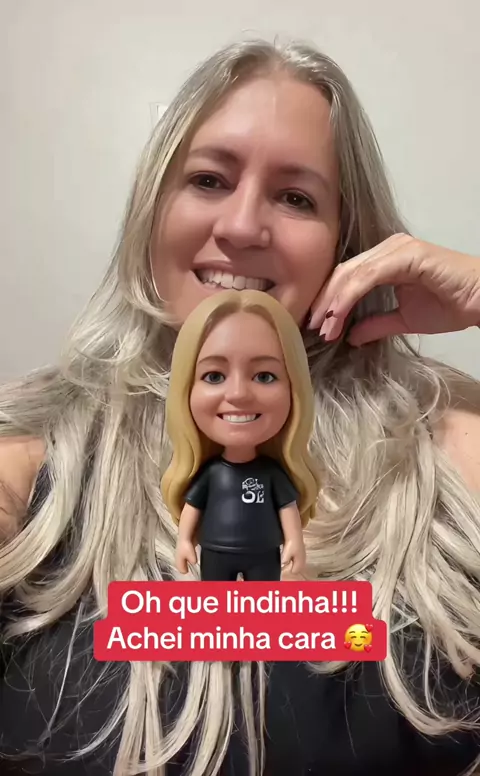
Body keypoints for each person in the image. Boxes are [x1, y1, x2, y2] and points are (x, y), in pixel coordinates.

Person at [1, 37, 480, 776]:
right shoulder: (31, 460)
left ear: (347, 244)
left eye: (296, 198)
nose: (242, 227)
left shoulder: (445, 447)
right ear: (152, 207)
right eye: (208, 179)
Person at [162, 290, 319, 581]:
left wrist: (295, 542)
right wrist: (184, 541)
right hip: (215, 552)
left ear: (294, 387)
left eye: (264, 376)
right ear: (185, 388)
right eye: (214, 376)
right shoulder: (210, 474)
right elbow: (193, 507)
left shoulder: (273, 473)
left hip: (264, 554)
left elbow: (287, 508)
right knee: (216, 604)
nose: (238, 394)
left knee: (262, 604)